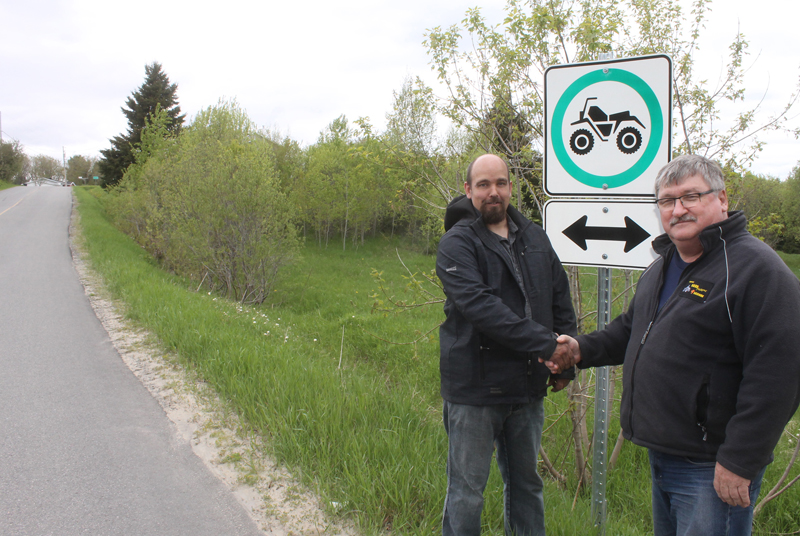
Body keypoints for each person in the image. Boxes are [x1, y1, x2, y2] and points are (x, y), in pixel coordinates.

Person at [542, 154, 800, 536]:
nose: (678, 209)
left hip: (712, 467)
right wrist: (578, 350)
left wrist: (740, 460)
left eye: (691, 196)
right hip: (664, 456)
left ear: (723, 199)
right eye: (667, 200)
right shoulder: (663, 265)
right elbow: (632, 330)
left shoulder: (756, 270)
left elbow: (780, 375)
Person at [436, 153, 577, 536]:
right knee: (467, 492)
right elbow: (483, 309)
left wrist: (567, 362)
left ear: (510, 187)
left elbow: (559, 296)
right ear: (468, 190)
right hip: (474, 391)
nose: (493, 192)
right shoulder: (456, 244)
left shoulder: (533, 236)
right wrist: (547, 345)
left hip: (525, 389)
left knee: (527, 486)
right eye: (483, 185)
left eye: (500, 183)